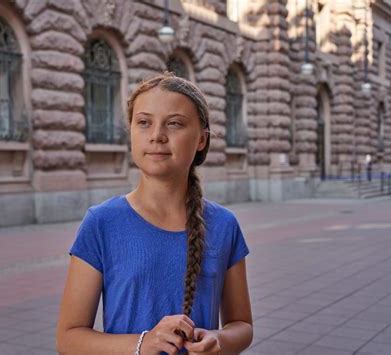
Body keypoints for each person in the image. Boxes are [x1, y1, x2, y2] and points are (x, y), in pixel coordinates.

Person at [56, 72, 253, 354]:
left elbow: (242, 324)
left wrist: (219, 340)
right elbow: (68, 338)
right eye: (144, 122)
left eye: (174, 124)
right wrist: (142, 343)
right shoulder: (101, 223)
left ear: (201, 139)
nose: (157, 136)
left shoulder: (224, 225)